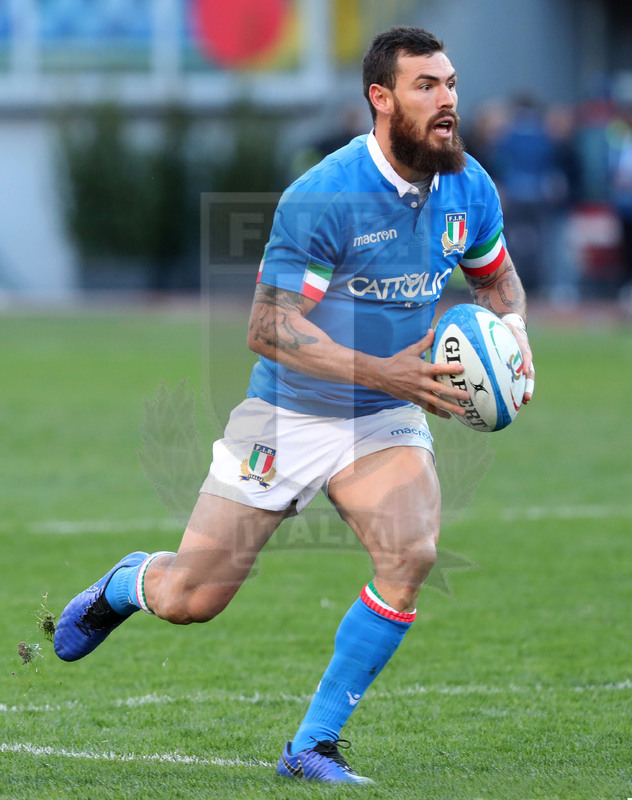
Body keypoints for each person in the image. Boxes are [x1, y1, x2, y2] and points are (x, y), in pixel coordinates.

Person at [54, 26, 535, 785]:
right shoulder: (326, 195)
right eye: (426, 87)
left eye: (450, 85)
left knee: (410, 554)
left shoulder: (469, 186)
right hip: (291, 412)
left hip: (383, 417)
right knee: (193, 598)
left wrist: (513, 335)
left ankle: (311, 746)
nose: (447, 102)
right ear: (380, 99)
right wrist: (387, 372)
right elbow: (268, 327)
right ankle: (127, 584)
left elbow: (496, 278)